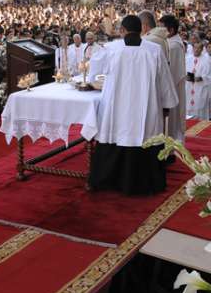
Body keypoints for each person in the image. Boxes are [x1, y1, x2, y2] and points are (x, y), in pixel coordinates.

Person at [87, 15, 178, 195]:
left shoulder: (111, 49)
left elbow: (94, 72)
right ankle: (146, 183)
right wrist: (167, 104)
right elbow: (164, 81)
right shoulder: (154, 50)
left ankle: (110, 180)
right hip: (146, 105)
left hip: (117, 106)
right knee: (145, 136)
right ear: (142, 30)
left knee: (116, 134)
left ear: (122, 30)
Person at [160, 15, 186, 143]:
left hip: (171, 89)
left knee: (171, 122)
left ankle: (170, 149)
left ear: (170, 30)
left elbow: (171, 72)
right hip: (170, 87)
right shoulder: (170, 42)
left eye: (161, 28)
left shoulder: (173, 46)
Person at [185, 42, 211, 120]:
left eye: (198, 48)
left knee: (200, 109)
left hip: (200, 89)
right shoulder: (187, 58)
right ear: (192, 48)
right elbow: (183, 72)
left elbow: (207, 76)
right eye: (195, 47)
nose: (196, 50)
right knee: (188, 108)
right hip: (189, 88)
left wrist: (199, 78)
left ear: (202, 49)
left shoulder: (206, 61)